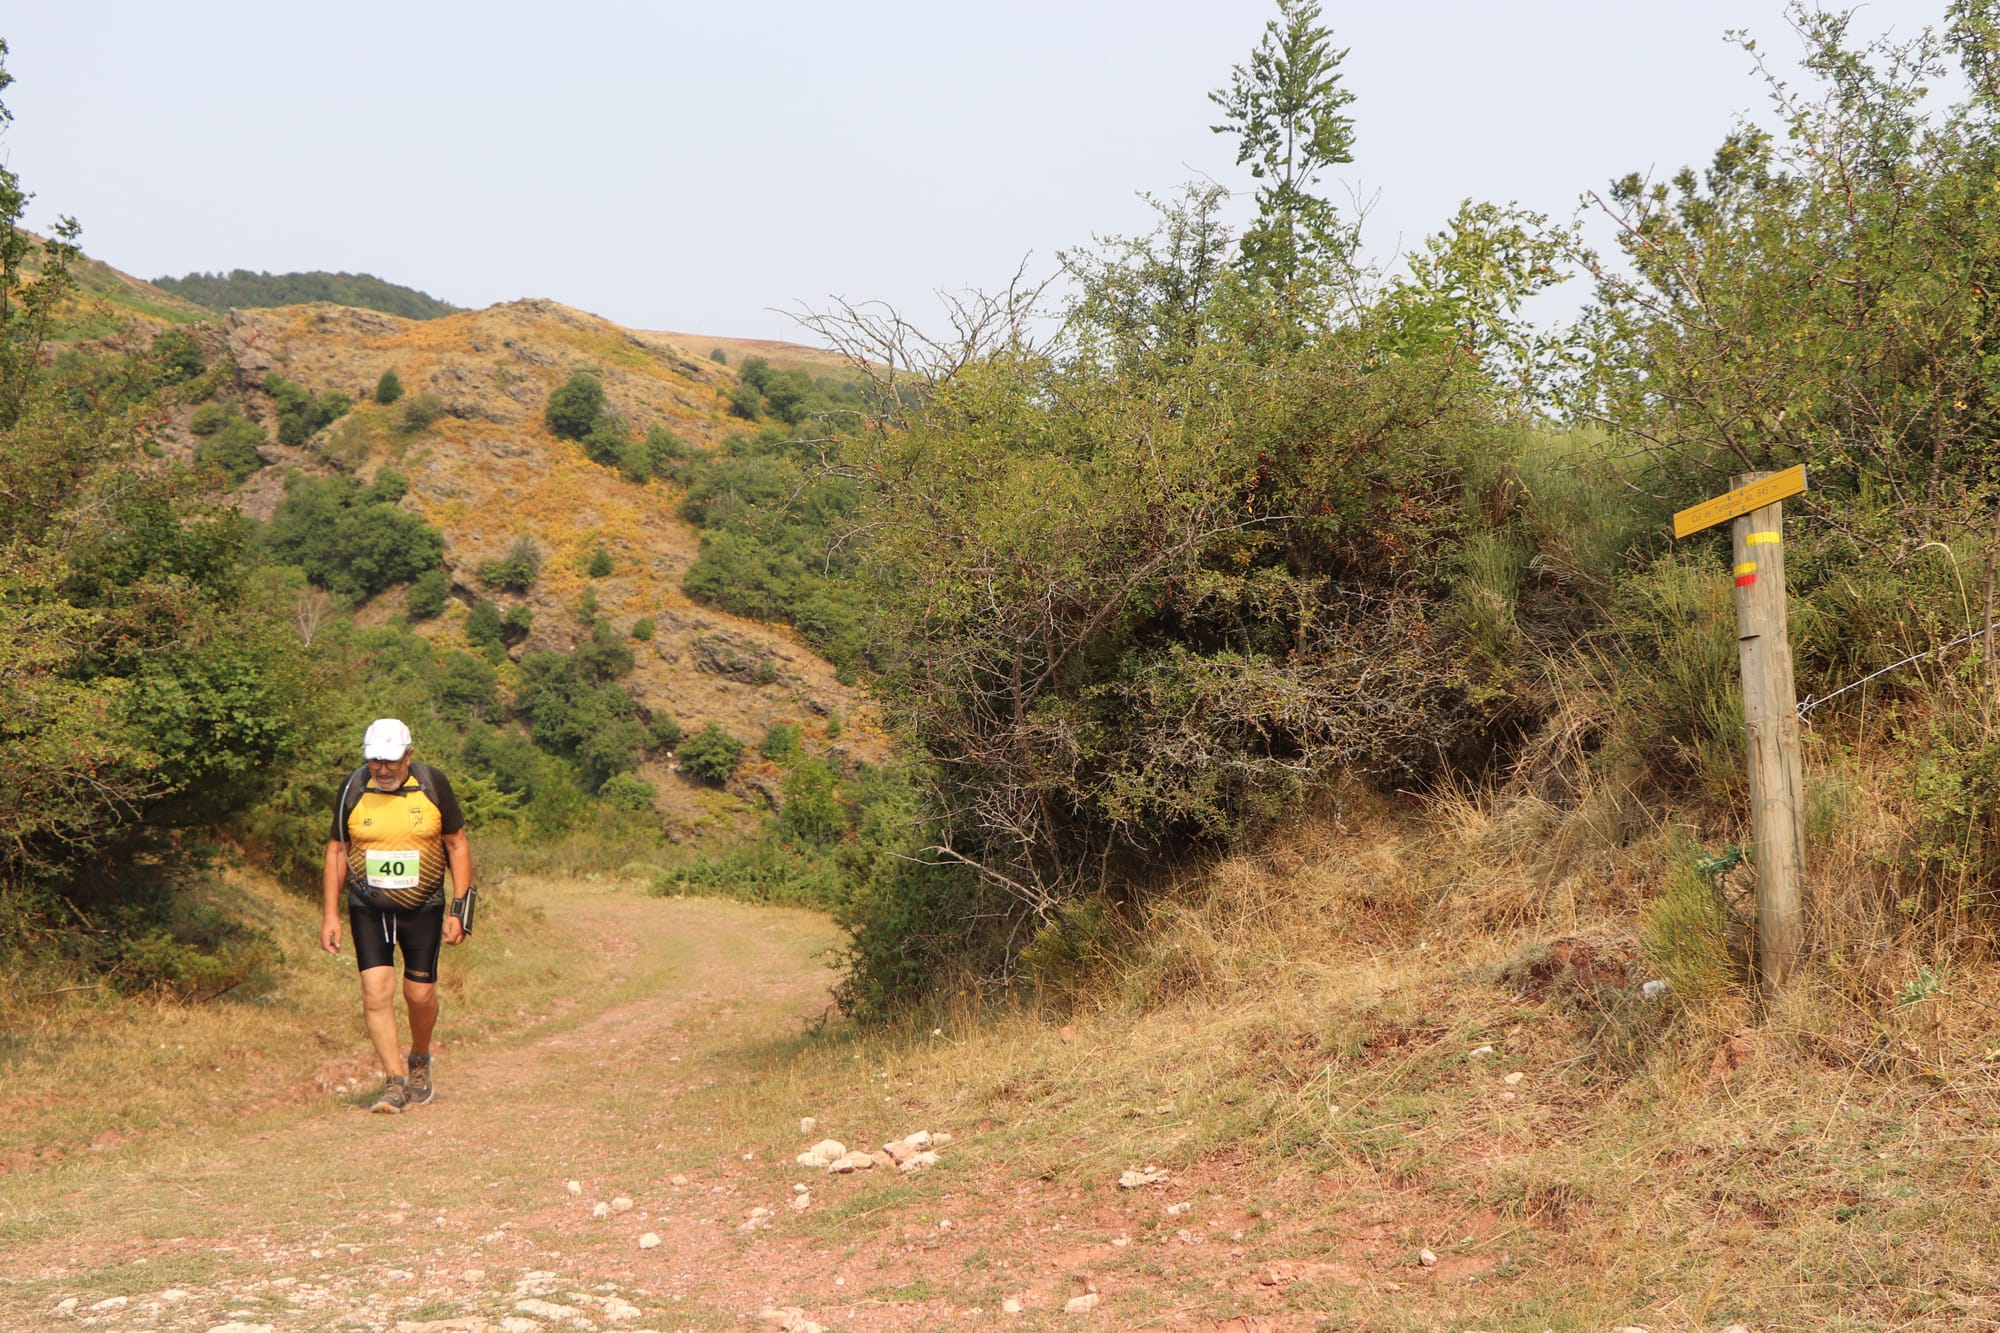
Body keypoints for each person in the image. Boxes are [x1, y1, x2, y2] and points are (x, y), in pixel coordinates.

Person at [320, 718, 472, 1113]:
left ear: (409, 755)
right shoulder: (354, 788)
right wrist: (330, 916)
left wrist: (460, 909)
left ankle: (419, 1057)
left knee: (419, 995)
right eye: (374, 761)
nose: (382, 769)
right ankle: (393, 1081)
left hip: (423, 906)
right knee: (375, 991)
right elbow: (337, 850)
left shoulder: (432, 784)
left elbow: (456, 844)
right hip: (367, 905)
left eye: (390, 761)